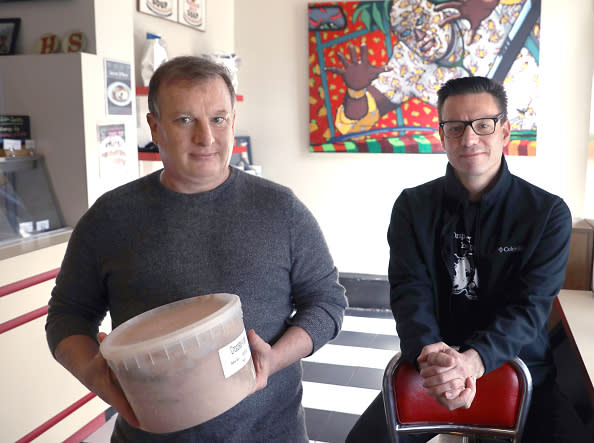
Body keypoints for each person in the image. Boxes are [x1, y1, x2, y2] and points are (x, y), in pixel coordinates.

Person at [46, 56, 347, 442]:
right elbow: (68, 315)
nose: (206, 137)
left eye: (218, 119)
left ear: (233, 121)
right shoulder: (109, 218)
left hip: (270, 433)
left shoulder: (281, 209)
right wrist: (92, 372)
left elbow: (327, 302)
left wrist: (273, 359)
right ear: (154, 127)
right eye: (185, 119)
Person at [346, 76, 590, 442]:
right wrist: (432, 357)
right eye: (455, 127)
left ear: (504, 131)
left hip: (520, 365)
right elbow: (410, 292)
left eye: (483, 125)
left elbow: (530, 308)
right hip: (433, 365)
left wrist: (473, 361)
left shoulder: (547, 213)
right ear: (442, 135)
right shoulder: (413, 206)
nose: (469, 138)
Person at [327, 0, 539, 137]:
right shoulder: (408, 65)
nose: (418, 36)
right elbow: (353, 124)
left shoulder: (483, 11)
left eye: (421, 20)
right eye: (406, 33)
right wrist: (355, 92)